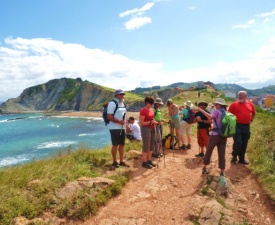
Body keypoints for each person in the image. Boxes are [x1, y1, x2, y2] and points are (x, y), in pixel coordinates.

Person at [198, 98, 228, 176]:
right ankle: (222, 171)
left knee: (209, 150)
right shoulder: (226, 112)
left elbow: (210, 117)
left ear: (219, 105)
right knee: (222, 153)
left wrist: (201, 111)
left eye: (216, 104)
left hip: (215, 134)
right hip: (223, 135)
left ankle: (204, 167)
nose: (215, 105)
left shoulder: (217, 112)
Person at [228, 91, 256, 164]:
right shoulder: (234, 104)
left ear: (245, 97)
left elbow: (254, 113)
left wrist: (251, 119)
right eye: (239, 95)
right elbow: (228, 115)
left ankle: (241, 159)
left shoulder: (250, 105)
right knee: (238, 142)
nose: (240, 97)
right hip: (237, 126)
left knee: (244, 143)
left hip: (246, 126)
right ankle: (234, 156)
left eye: (241, 95)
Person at [107, 89, 129, 168]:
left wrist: (126, 125)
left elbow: (125, 115)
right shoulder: (112, 104)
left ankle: (121, 161)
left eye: (123, 94)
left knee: (122, 145)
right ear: (116, 95)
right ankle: (114, 161)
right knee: (115, 145)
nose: (122, 95)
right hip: (114, 128)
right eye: (120, 94)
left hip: (122, 128)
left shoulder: (123, 103)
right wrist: (118, 122)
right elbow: (109, 116)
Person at [139, 96, 158, 169]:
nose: (152, 105)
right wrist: (150, 122)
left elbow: (151, 118)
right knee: (146, 144)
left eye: (152, 103)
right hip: (145, 128)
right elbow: (141, 123)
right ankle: (144, 161)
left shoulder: (151, 109)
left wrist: (155, 122)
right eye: (150, 103)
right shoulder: (143, 110)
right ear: (146, 102)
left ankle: (149, 159)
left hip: (152, 127)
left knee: (151, 144)